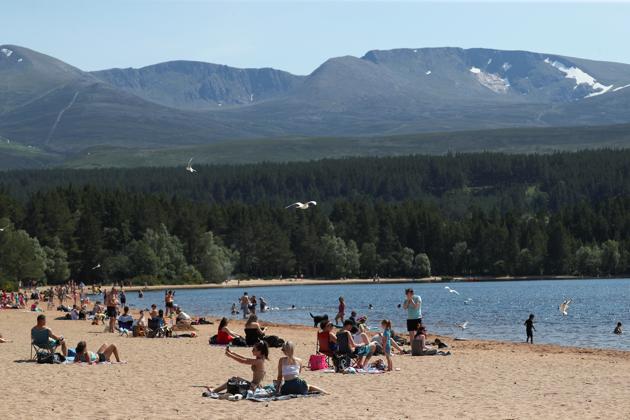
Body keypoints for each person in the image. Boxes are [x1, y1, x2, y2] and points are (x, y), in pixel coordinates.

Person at [205, 341, 269, 397]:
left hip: (253, 387)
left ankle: (214, 391)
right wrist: (233, 353)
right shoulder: (260, 359)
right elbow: (245, 358)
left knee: (234, 379)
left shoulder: (259, 361)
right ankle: (215, 390)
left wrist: (230, 356)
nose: (252, 351)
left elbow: (243, 361)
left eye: (254, 349)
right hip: (254, 385)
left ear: (260, 351)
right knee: (235, 379)